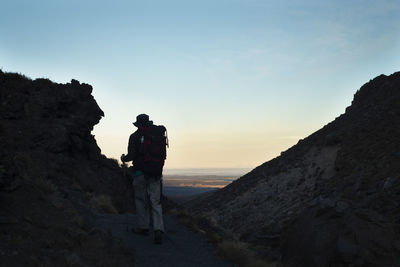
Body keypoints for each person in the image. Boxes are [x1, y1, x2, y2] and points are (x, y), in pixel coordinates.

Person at [121, 114, 165, 244]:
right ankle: (158, 229)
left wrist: (124, 158)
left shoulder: (134, 136)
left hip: (140, 172)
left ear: (138, 124)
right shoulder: (158, 134)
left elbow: (132, 155)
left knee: (141, 200)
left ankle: (143, 227)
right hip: (156, 172)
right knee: (156, 202)